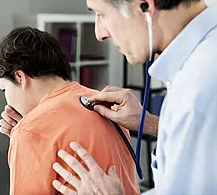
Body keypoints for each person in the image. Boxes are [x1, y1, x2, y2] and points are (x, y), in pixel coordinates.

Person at [47, 0, 217, 194]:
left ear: (144, 5)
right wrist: (150, 123)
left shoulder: (202, 86)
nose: (100, 34)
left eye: (101, 14)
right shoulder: (201, 64)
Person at [0, 26, 141, 194]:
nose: (8, 101)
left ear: (20, 77)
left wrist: (27, 135)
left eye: (4, 89)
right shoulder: (110, 105)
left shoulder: (30, 132)